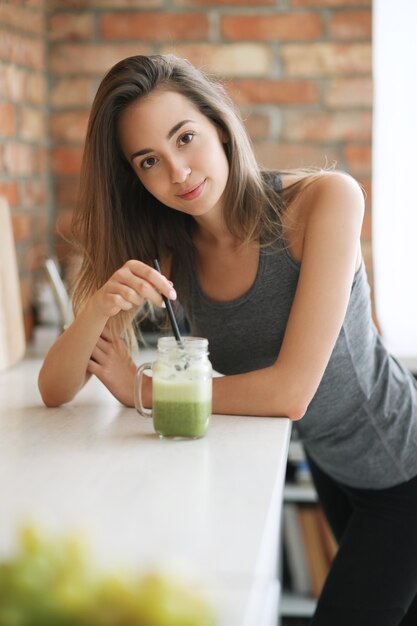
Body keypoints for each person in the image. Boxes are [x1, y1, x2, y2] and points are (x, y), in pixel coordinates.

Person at [38, 54, 417, 625]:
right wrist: (95, 309)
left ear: (218, 123)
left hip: (403, 469)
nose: (178, 172)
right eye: (149, 160)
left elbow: (292, 393)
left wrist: (143, 389)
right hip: (333, 466)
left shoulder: (325, 200)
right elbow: (54, 390)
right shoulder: (170, 249)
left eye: (185, 137)